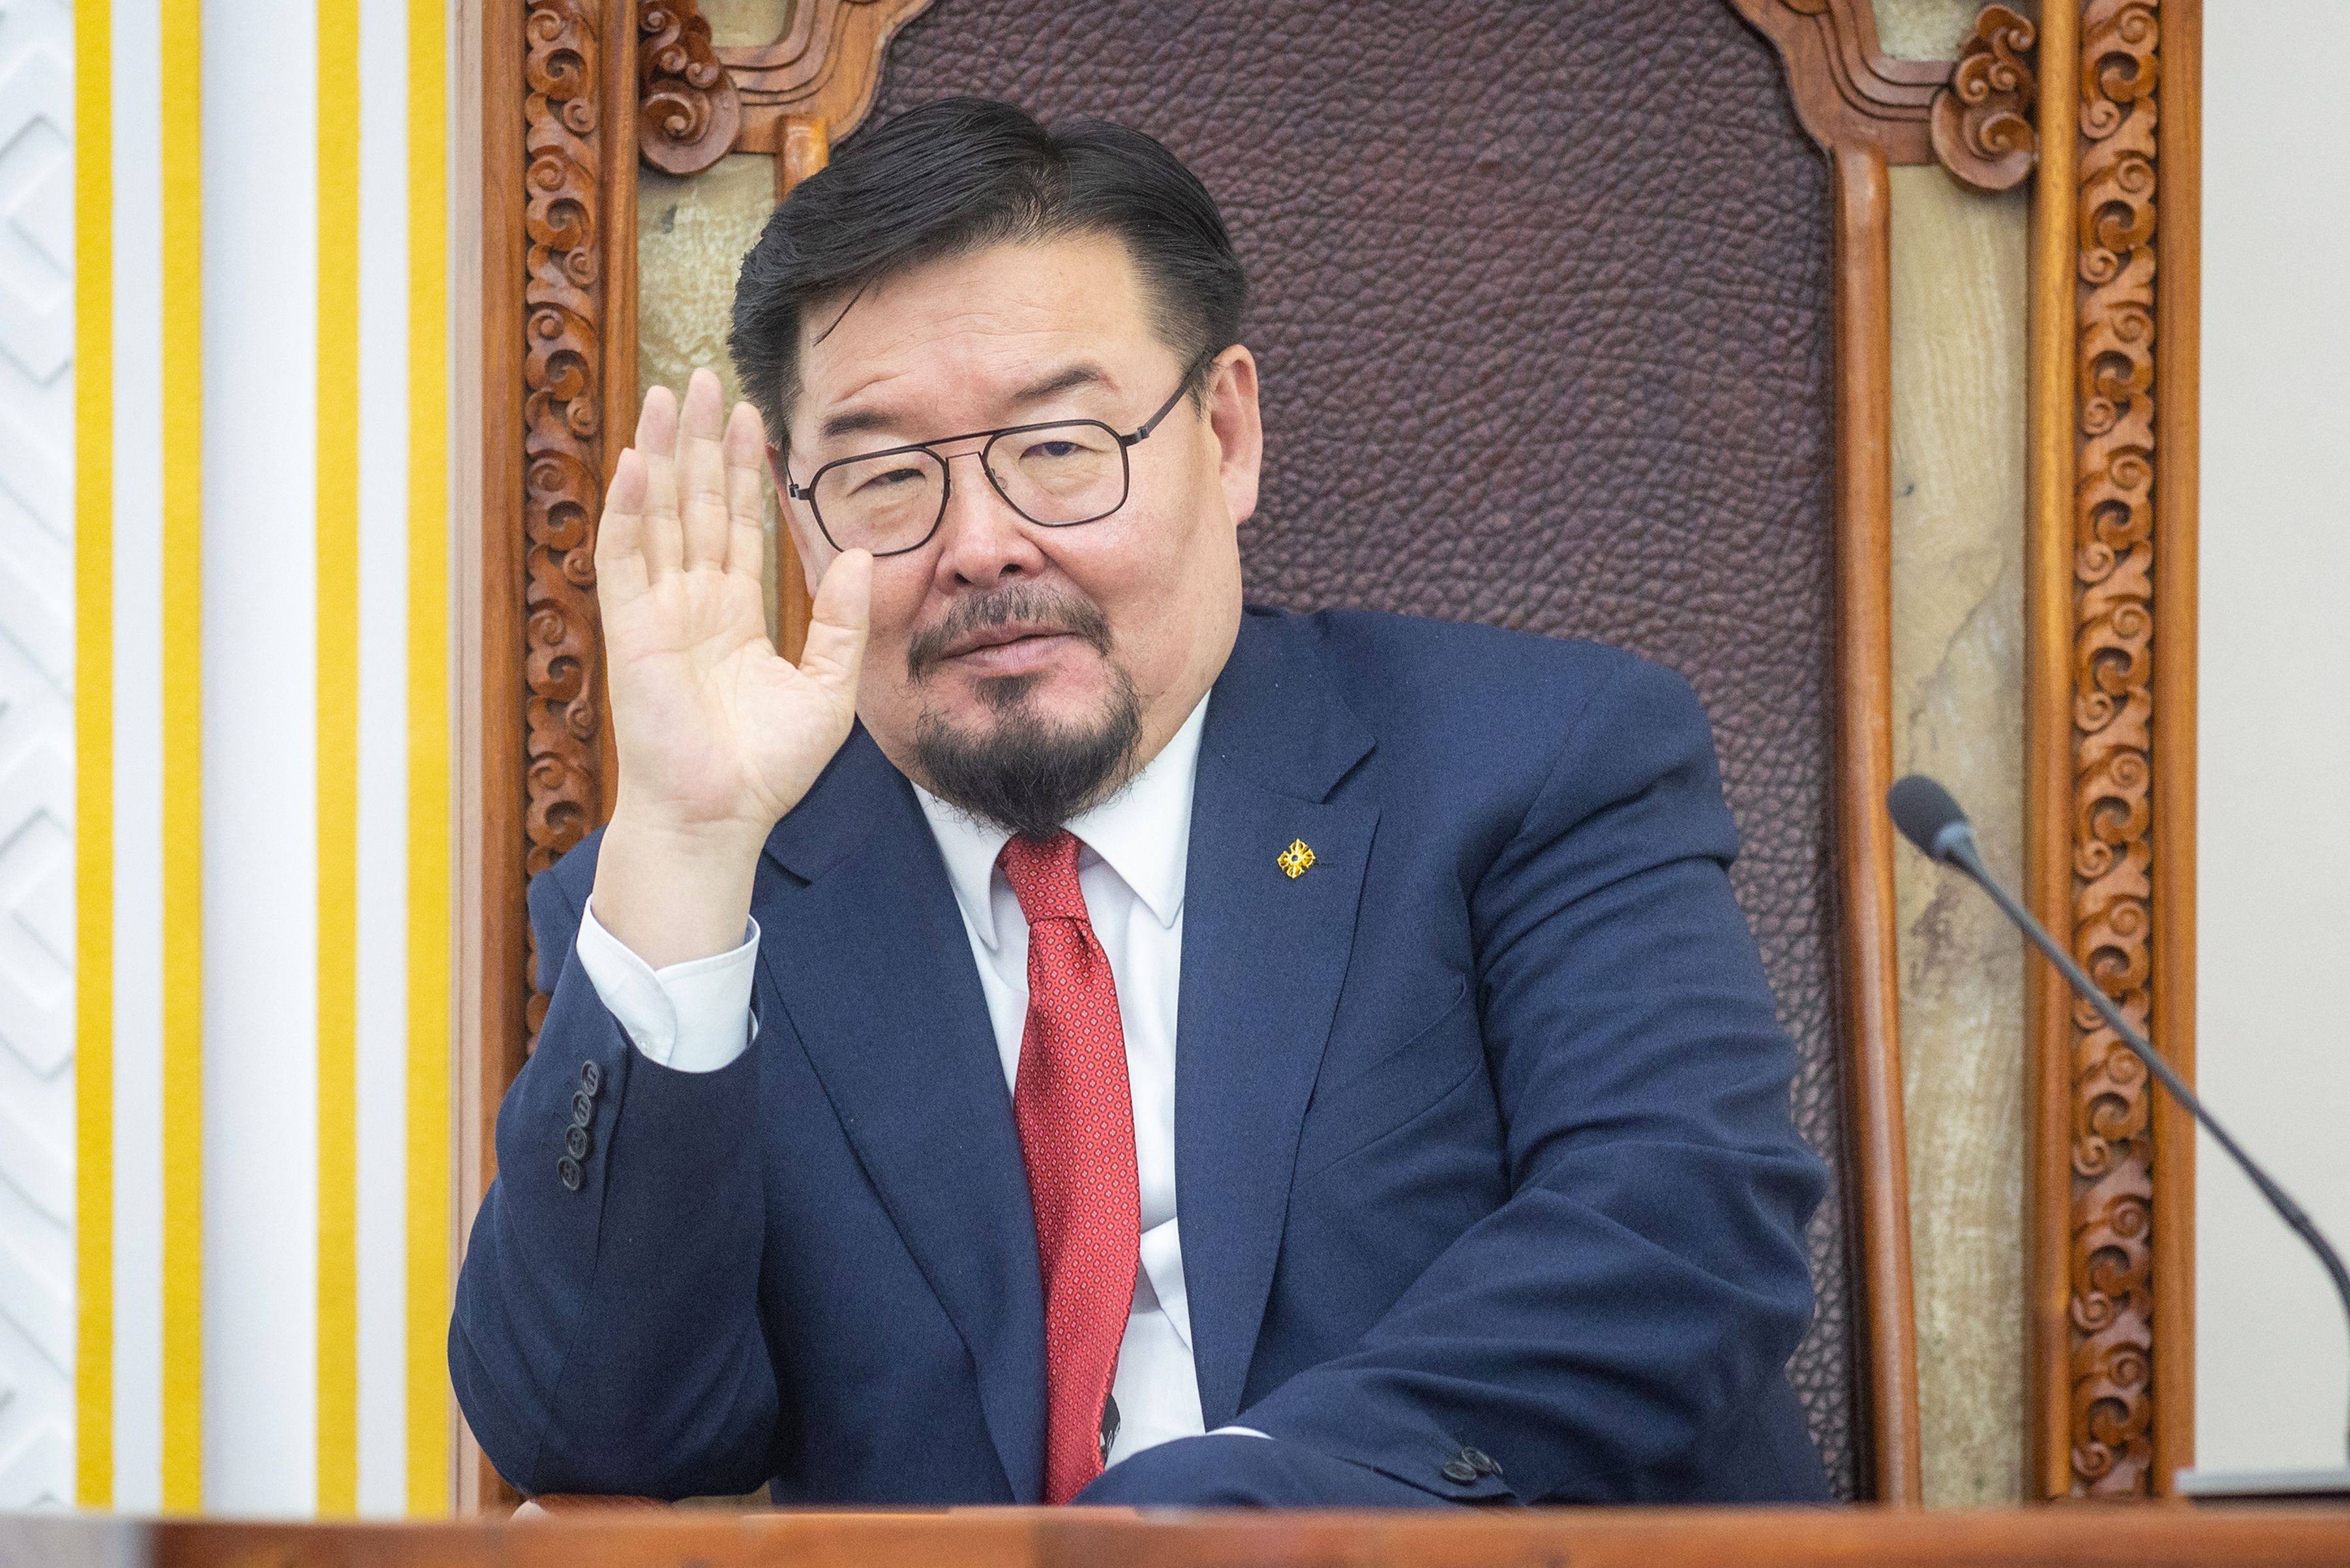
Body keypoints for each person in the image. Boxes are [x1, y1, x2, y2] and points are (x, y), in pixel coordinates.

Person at [449, 95, 1832, 1508]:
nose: (981, 545)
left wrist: (1202, 1525)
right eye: (882, 477)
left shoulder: (1532, 762)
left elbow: (1677, 1235)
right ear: (799, 517)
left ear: (1224, 434)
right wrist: (685, 843)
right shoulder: (711, 898)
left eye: (1058, 446)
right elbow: (594, 1436)